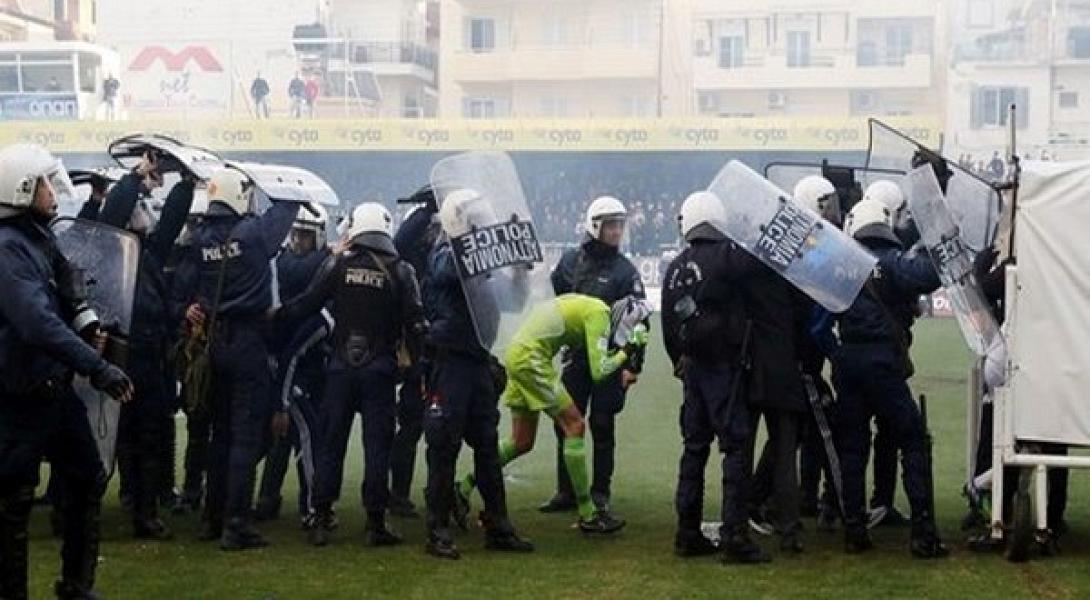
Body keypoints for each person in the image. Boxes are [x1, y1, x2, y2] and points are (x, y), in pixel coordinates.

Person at [0, 143, 134, 599]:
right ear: (20, 189)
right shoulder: (7, 248)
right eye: (42, 183)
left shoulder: (39, 236)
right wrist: (97, 367)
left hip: (50, 388)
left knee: (86, 476)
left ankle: (76, 588)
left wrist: (90, 321)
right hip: (15, 394)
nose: (52, 191)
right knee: (12, 502)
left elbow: (69, 290)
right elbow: (36, 322)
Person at [275, 203, 427, 547]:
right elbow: (415, 323)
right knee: (378, 448)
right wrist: (416, 368)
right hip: (380, 370)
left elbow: (307, 304)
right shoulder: (401, 271)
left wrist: (274, 316)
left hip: (340, 369)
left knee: (331, 445)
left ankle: (321, 517)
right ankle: (376, 523)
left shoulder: (338, 264)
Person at [175, 167, 301, 550]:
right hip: (247, 342)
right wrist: (272, 180)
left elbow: (184, 289)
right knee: (246, 437)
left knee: (220, 435)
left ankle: (211, 519)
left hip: (213, 343)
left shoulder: (199, 239)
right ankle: (236, 524)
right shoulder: (253, 233)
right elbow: (289, 204)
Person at [455, 293, 651, 534]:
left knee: (521, 441)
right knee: (575, 425)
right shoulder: (599, 315)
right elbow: (599, 371)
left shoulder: (591, 306)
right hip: (531, 359)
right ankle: (588, 513)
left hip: (519, 354)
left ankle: (462, 487)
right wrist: (629, 349)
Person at [421, 190, 535, 560]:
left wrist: (518, 268)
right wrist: (500, 243)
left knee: (487, 446)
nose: (485, 231)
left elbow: (514, 301)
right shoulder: (443, 254)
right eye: (479, 225)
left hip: (476, 363)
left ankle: (498, 525)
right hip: (450, 362)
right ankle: (436, 529)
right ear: (462, 223)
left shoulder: (477, 262)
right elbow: (453, 268)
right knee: (444, 446)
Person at [833, 197, 948, 558]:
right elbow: (930, 276)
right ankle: (923, 533)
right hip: (883, 362)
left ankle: (854, 530)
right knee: (912, 439)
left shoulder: (839, 264)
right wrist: (930, 239)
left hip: (847, 361)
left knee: (852, 448)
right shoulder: (892, 263)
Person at [661, 191, 770, 564]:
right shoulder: (728, 257)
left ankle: (686, 532)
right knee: (735, 451)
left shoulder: (674, 266)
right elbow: (764, 265)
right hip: (726, 369)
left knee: (694, 450)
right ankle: (735, 536)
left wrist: (683, 359)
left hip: (693, 369)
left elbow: (668, 328)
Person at [93, 153, 195, 540]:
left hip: (150, 353)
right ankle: (139, 504)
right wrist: (134, 178)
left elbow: (168, 225)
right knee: (131, 432)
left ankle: (143, 504)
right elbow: (113, 215)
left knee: (146, 432)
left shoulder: (145, 255)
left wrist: (184, 185)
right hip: (128, 353)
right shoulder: (112, 249)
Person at [541, 196, 645, 517]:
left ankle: (600, 492)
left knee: (602, 425)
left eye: (619, 225)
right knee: (566, 422)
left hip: (609, 361)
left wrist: (632, 365)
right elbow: (552, 301)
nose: (616, 232)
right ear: (595, 226)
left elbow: (639, 320)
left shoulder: (626, 271)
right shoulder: (570, 262)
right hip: (575, 359)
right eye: (611, 225)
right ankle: (566, 490)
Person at [255, 204, 332, 523]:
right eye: (296, 235)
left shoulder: (279, 264)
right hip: (299, 364)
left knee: (280, 441)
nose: (299, 243)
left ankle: (269, 499)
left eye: (304, 236)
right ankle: (309, 504)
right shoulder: (317, 267)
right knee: (305, 437)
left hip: (288, 361)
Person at [388, 187, 440, 518]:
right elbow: (399, 243)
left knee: (428, 425)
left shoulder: (440, 261)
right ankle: (399, 493)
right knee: (410, 422)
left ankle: (415, 492)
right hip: (418, 346)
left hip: (439, 345)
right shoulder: (412, 261)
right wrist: (426, 208)